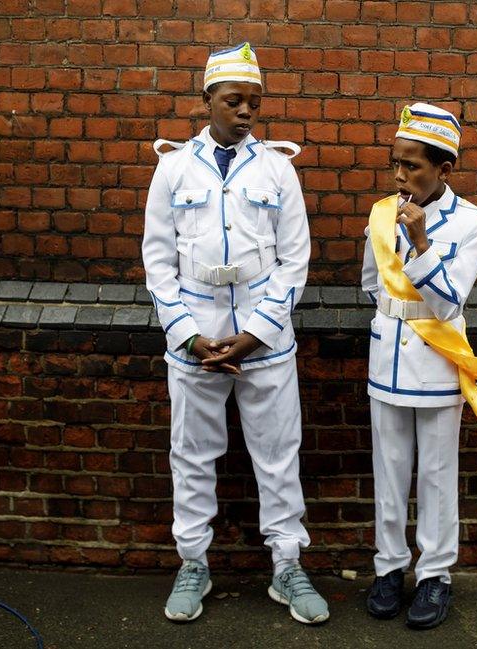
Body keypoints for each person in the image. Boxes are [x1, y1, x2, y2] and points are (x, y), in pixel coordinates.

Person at [141, 42, 328, 625]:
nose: (246, 111)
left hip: (262, 340)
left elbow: (294, 261)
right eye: (233, 100)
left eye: (254, 102)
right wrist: (189, 336)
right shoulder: (172, 167)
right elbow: (157, 261)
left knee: (277, 455)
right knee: (192, 455)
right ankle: (193, 561)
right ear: (206, 100)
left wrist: (256, 334)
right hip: (194, 335)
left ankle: (287, 565)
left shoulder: (277, 167)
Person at [361, 103, 477, 629]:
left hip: (436, 363)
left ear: (444, 170)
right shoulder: (382, 213)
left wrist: (422, 242)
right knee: (388, 473)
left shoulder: (474, 222)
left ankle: (435, 576)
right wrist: (393, 318)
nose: (400, 176)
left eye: (412, 166)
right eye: (396, 164)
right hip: (387, 356)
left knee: (435, 474)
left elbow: (451, 301)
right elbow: (372, 282)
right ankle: (389, 568)